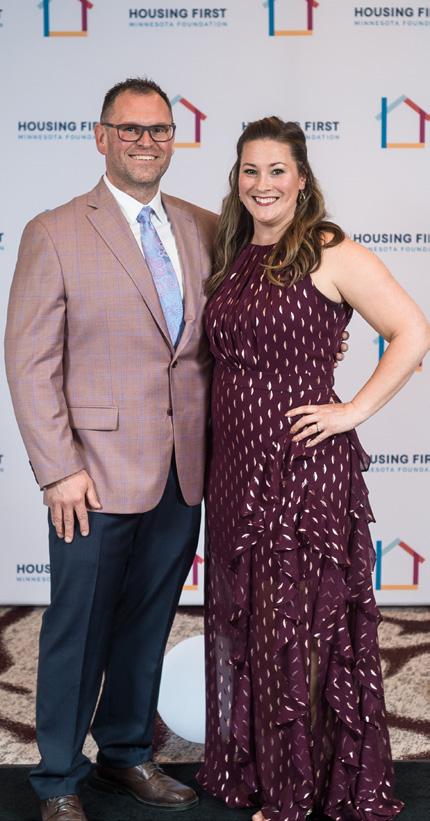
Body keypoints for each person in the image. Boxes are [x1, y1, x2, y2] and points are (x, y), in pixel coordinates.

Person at [197, 117, 430, 821]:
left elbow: (411, 331)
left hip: (302, 468)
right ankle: (262, 771)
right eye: (250, 170)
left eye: (277, 170)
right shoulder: (234, 249)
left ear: (302, 179)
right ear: (237, 179)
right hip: (234, 469)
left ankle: (302, 788)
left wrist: (352, 409)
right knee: (251, 624)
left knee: (300, 626)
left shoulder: (328, 250)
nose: (262, 183)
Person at [4, 78, 218, 821]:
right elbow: (29, 361)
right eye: (130, 129)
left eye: (159, 130)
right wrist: (57, 469)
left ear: (173, 139)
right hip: (90, 476)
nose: (145, 142)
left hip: (182, 470)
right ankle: (58, 778)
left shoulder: (204, 226)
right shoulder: (55, 230)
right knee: (78, 627)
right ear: (101, 137)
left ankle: (125, 753)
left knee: (148, 624)